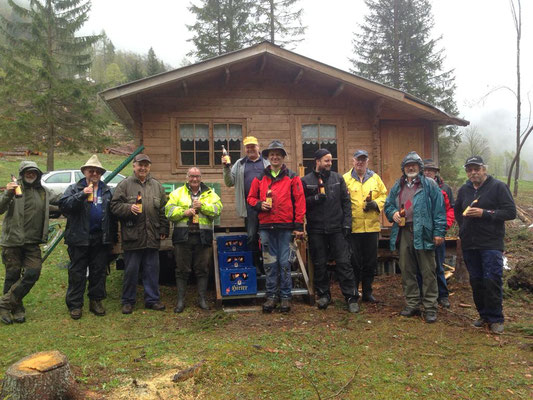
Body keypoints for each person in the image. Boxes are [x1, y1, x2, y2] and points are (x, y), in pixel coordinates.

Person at [454, 156, 516, 334]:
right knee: (476, 281)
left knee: (492, 279)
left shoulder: (498, 187)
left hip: (490, 243)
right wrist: (463, 226)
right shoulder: (465, 189)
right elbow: (458, 209)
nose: (473, 172)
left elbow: (510, 212)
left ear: (484, 169)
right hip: (470, 243)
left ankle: (496, 318)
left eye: (477, 169)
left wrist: (485, 213)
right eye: (470, 169)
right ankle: (483, 315)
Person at [384, 151, 446, 323]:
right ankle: (412, 304)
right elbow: (388, 205)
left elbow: (439, 211)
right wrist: (393, 213)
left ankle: (430, 307)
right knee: (407, 270)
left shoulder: (430, 185)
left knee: (428, 271)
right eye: (407, 165)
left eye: (414, 165)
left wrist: (439, 232)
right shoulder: (398, 186)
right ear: (403, 168)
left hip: (424, 233)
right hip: (403, 232)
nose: (411, 167)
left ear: (420, 167)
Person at [247, 140, 305, 313]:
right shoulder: (260, 178)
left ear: (283, 157)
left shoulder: (293, 177)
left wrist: (298, 225)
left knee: (285, 263)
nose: (275, 157)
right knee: (270, 263)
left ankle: (286, 297)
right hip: (266, 227)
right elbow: (250, 198)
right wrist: (259, 204)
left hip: (287, 227)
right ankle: (271, 296)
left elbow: (300, 201)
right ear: (268, 157)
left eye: (278, 154)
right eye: (272, 154)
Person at [0, 161, 58, 324]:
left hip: (32, 243)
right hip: (12, 242)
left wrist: (81, 193)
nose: (31, 174)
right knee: (12, 275)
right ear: (21, 173)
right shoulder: (14, 189)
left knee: (33, 272)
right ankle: (15, 308)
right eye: (27, 171)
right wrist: (8, 193)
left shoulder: (43, 192)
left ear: (38, 174)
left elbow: (60, 198)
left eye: (34, 171)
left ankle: (3, 303)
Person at [110, 154, 169, 314]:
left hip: (152, 236)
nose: (143, 168)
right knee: (131, 271)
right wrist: (129, 208)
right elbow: (114, 206)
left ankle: (152, 300)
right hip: (132, 236)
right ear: (134, 166)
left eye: (146, 165)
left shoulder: (157, 186)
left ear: (149, 167)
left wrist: (164, 229)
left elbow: (164, 209)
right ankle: (128, 301)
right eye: (140, 165)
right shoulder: (124, 185)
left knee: (152, 271)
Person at [59, 155, 116, 320]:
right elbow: (64, 207)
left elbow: (113, 214)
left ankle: (96, 301)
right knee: (77, 272)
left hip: (100, 237)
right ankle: (75, 305)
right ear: (85, 172)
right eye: (91, 171)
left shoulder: (107, 190)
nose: (94, 173)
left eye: (97, 171)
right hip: (79, 237)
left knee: (98, 271)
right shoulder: (74, 188)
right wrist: (82, 194)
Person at [302, 149, 359, 312]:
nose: (329, 163)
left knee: (344, 263)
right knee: (320, 264)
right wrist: (314, 199)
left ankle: (351, 297)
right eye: (326, 160)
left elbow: (346, 202)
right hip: (316, 229)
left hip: (337, 229)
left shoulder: (338, 179)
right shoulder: (306, 181)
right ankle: (324, 295)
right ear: (317, 161)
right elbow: (301, 204)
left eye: (330, 161)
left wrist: (347, 223)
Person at [165, 167, 222, 313]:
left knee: (202, 269)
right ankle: (180, 301)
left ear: (201, 177)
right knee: (181, 270)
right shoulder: (177, 193)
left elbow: (217, 210)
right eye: (191, 176)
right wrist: (185, 212)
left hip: (203, 237)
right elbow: (168, 212)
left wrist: (203, 207)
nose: (194, 179)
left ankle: (201, 300)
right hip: (183, 237)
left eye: (197, 176)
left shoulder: (210, 193)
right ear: (187, 177)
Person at [344, 150, 387, 304]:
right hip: (353, 228)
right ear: (353, 160)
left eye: (363, 160)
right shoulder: (345, 179)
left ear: (367, 161)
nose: (360, 163)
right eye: (357, 159)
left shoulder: (375, 178)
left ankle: (368, 292)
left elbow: (384, 195)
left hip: (371, 228)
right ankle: (354, 292)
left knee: (370, 262)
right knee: (354, 262)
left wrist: (375, 204)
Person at [222, 136, 269, 270]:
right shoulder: (239, 163)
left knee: (268, 238)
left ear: (258, 147)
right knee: (251, 237)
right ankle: (256, 266)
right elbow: (229, 182)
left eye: (253, 146)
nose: (250, 149)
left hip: (268, 206)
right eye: (248, 147)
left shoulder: (267, 163)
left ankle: (269, 265)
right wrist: (226, 168)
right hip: (250, 206)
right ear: (245, 149)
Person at [419, 159, 455, 308]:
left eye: (431, 170)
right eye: (425, 170)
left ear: (436, 172)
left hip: (438, 233)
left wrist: (444, 227)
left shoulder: (445, 188)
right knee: (421, 265)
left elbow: (451, 210)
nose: (428, 172)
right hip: (421, 233)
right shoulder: (417, 186)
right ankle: (423, 294)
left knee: (438, 265)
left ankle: (443, 295)